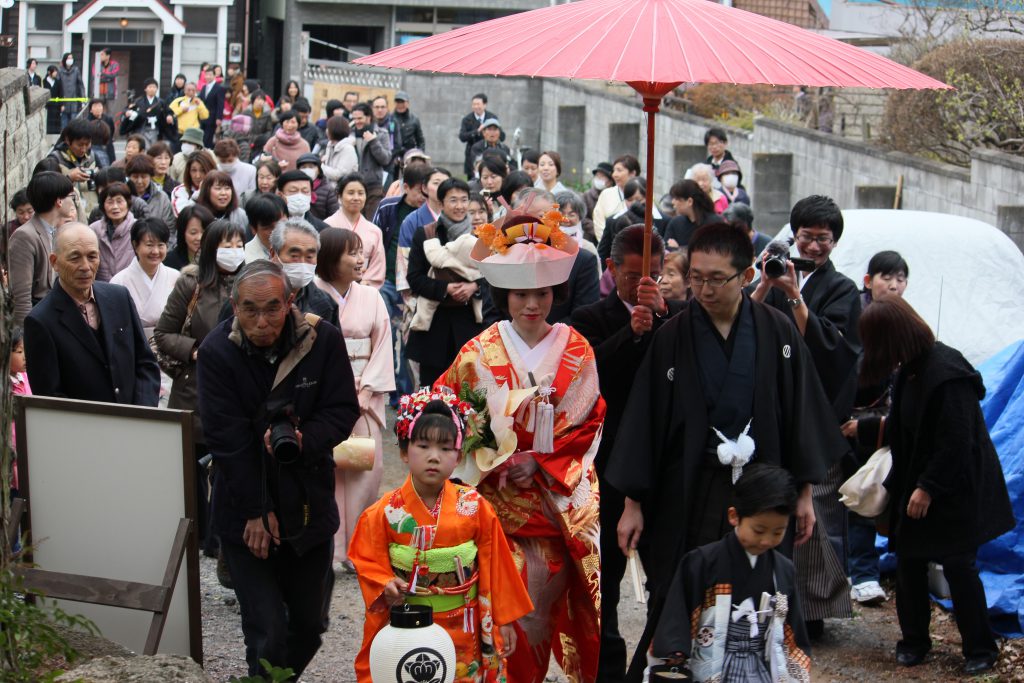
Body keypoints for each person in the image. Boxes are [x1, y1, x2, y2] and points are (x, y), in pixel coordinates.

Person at [605, 222, 847, 682]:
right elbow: (645, 420)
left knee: (760, 602)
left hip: (762, 493)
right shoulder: (673, 335)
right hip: (687, 494)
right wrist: (632, 503)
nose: (703, 288)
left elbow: (801, 413)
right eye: (696, 276)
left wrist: (803, 493)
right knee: (679, 593)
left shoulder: (777, 333)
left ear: (746, 275)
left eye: (716, 278)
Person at [435, 209, 605, 683]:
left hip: (550, 509)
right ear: (504, 294)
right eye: (521, 293)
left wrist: (539, 462)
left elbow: (588, 421)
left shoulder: (577, 349)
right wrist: (483, 452)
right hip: (489, 503)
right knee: (487, 614)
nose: (532, 304)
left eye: (543, 293)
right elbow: (446, 410)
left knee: (533, 615)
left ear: (556, 294)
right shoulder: (478, 350)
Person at [197, 259, 358, 677]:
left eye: (272, 308)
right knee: (265, 628)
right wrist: (254, 509)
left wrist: (307, 440)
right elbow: (226, 440)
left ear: (290, 302)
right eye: (250, 309)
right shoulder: (217, 351)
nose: (262, 321)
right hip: (243, 505)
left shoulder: (322, 341)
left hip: (308, 500)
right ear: (234, 306)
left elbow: (342, 410)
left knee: (310, 624)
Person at [858, 298, 1014, 676]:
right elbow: (900, 428)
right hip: (913, 481)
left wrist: (928, 486)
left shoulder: (946, 372)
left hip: (955, 487)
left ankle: (981, 647)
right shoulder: (906, 370)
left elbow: (957, 442)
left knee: (959, 567)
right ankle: (914, 641)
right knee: (908, 562)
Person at [350, 391, 531, 682]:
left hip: (463, 622)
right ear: (404, 452)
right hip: (405, 621)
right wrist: (385, 581)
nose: (434, 456)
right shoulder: (383, 512)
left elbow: (497, 564)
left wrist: (504, 619)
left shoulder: (474, 507)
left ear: (459, 456)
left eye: (445, 448)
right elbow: (365, 557)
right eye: (423, 445)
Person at [570, 225, 683, 683]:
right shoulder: (588, 316)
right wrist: (628, 335)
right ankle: (608, 669)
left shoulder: (679, 318)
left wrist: (660, 323)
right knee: (605, 580)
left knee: (667, 574)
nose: (643, 283)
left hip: (662, 465)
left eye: (654, 273)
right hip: (607, 463)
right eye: (634, 273)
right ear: (612, 267)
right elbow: (582, 376)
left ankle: (660, 661)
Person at [751, 198, 862, 633]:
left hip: (816, 416)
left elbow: (834, 350)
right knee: (770, 508)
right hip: (770, 414)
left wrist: (795, 297)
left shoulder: (842, 289)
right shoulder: (771, 273)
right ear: (791, 235)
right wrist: (763, 284)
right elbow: (744, 323)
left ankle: (813, 610)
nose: (814, 246)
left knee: (816, 516)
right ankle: (766, 600)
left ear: (835, 242)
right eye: (806, 237)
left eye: (823, 239)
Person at [652, 464, 812, 682]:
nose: (766, 540)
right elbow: (676, 617)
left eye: (778, 532)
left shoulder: (783, 570)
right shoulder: (701, 562)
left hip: (761, 665)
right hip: (711, 663)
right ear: (734, 516)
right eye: (759, 530)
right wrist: (676, 652)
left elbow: (792, 633)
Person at [156, 218, 247, 555]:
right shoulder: (191, 284)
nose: (234, 251)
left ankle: (226, 536)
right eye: (226, 244)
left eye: (239, 243)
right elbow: (164, 334)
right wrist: (197, 351)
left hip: (238, 391)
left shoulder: (252, 281)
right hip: (195, 388)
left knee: (232, 463)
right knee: (193, 465)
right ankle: (197, 533)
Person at [314, 228, 395, 572]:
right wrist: (339, 392)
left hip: (365, 395)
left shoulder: (373, 297)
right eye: (353, 253)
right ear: (331, 258)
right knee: (329, 471)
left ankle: (356, 549)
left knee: (364, 469)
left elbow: (382, 345)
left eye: (362, 252)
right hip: (326, 396)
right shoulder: (313, 296)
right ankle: (331, 549)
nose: (361, 260)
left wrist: (365, 391)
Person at [25, 223, 159, 406]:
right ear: (54, 262)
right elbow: (50, 397)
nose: (85, 266)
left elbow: (145, 362)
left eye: (92, 256)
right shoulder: (40, 321)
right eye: (75, 258)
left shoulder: (119, 297)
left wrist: (141, 413)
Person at [841, 250, 910, 608]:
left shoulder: (905, 320)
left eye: (900, 278)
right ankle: (845, 572)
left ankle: (864, 574)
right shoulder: (853, 312)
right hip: (841, 418)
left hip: (877, 424)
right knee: (835, 499)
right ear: (869, 281)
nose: (895, 284)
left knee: (866, 495)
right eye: (887, 277)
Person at [407, 178, 485, 386]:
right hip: (435, 325)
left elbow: (495, 277)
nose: (459, 206)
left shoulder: (482, 236)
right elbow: (415, 278)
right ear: (441, 204)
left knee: (470, 392)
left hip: (470, 323)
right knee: (433, 390)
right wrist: (446, 288)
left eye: (464, 200)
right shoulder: (426, 234)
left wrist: (474, 287)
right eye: (453, 200)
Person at [10, 172, 74, 326]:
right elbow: (21, 296)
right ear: (59, 201)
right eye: (71, 196)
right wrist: (24, 337)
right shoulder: (25, 236)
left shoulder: (56, 231)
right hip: (39, 319)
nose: (73, 201)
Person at [258, 218, 339, 327]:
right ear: (273, 254)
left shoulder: (325, 303)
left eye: (309, 257)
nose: (302, 263)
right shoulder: (249, 295)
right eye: (294, 256)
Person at [110, 217, 181, 339]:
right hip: (133, 344)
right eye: (149, 245)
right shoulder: (118, 282)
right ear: (135, 245)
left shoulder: (176, 277)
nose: (155, 251)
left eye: (161, 245)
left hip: (170, 344)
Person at [324, 174, 386, 288]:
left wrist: (363, 286)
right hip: (332, 286)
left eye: (361, 193)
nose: (356, 198)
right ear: (340, 196)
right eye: (351, 193)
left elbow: (377, 266)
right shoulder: (327, 225)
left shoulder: (374, 231)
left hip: (364, 288)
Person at [350, 102, 392, 220]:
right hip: (354, 184)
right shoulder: (350, 134)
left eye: (360, 118)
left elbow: (385, 159)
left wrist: (373, 142)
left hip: (373, 186)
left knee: (371, 221)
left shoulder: (381, 134)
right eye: (354, 118)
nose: (357, 121)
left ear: (368, 117)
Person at [89, 181, 137, 282]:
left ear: (128, 203)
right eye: (110, 202)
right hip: (102, 288)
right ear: (103, 205)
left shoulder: (138, 228)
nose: (115, 207)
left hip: (131, 285)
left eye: (119, 201)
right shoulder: (93, 230)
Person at [49, 118, 98, 213]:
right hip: (67, 215)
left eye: (87, 144)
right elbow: (48, 190)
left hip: (91, 213)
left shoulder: (92, 156)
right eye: (80, 145)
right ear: (67, 140)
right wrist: (69, 178)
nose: (83, 149)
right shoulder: (55, 160)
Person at [592, 154, 640, 242]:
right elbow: (598, 222)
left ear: (633, 173)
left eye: (619, 170)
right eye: (614, 170)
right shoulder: (606, 194)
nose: (614, 175)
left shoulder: (643, 195)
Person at [663, 179, 720, 251]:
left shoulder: (714, 224)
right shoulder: (675, 223)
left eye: (676, 198)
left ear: (689, 201)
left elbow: (712, 251)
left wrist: (679, 249)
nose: (673, 202)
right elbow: (666, 250)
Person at [125, 155, 175, 236]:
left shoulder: (162, 198)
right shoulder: (123, 198)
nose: (139, 181)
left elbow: (170, 228)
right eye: (135, 177)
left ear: (151, 176)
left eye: (144, 176)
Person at [121, 78, 176, 146]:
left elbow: (168, 111)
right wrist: (127, 112)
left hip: (156, 129)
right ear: (145, 89)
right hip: (141, 128)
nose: (152, 89)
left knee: (154, 148)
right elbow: (127, 109)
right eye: (150, 87)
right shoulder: (138, 101)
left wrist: (169, 116)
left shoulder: (161, 102)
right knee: (144, 146)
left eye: (154, 87)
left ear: (156, 89)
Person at [459, 93, 500, 176]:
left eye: (478, 104)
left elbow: (502, 136)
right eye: (474, 104)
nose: (476, 107)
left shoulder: (492, 117)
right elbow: (462, 137)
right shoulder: (467, 119)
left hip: (490, 151)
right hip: (472, 152)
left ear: (485, 105)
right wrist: (477, 131)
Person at [165, 204, 213, 271]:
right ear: (182, 233)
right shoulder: (170, 262)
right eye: (193, 233)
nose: (199, 238)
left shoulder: (218, 259)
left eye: (204, 232)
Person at [171, 148, 216, 216]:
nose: (197, 176)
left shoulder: (219, 190)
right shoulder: (180, 191)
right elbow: (182, 216)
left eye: (203, 170)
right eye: (194, 170)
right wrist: (197, 195)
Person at [244, 193, 286, 263]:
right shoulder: (245, 259)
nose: (278, 230)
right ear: (253, 229)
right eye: (269, 227)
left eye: (282, 223)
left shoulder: (302, 247)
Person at [296, 154, 338, 221]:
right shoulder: (293, 188)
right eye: (303, 167)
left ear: (319, 170)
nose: (307, 170)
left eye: (311, 167)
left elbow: (334, 215)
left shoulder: (328, 190)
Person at [320, 116, 358, 185]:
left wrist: (321, 167)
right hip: (329, 189)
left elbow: (338, 175)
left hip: (341, 190)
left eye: (328, 128)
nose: (326, 131)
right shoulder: (330, 146)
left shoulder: (348, 149)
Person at [370, 96, 401, 174]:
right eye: (376, 107)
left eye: (382, 107)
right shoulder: (369, 123)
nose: (379, 110)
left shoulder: (393, 123)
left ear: (387, 108)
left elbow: (397, 145)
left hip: (388, 165)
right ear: (372, 108)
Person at [84, 99, 117, 169]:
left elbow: (111, 131)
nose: (98, 108)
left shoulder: (108, 119)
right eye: (95, 106)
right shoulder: (87, 121)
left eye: (99, 106)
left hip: (108, 146)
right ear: (90, 110)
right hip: (94, 146)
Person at [199, 65, 226, 148]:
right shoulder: (203, 88)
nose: (208, 77)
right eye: (206, 75)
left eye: (210, 75)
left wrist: (219, 118)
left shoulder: (219, 88)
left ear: (214, 76)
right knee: (202, 138)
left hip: (213, 117)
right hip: (203, 117)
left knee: (209, 139)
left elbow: (220, 104)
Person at [391, 90, 425, 156]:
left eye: (402, 102)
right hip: (393, 155)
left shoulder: (414, 119)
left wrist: (420, 154)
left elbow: (420, 140)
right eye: (398, 102)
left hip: (410, 154)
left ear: (407, 103)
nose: (400, 105)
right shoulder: (390, 119)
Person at [57, 53, 85, 129]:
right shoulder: (60, 71)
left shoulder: (76, 70)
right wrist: (60, 102)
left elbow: (80, 85)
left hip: (74, 100)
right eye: (68, 58)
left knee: (74, 123)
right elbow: (58, 86)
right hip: (63, 101)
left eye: (71, 58)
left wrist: (83, 98)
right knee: (64, 124)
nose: (70, 60)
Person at [44, 66, 62, 134]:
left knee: (56, 121)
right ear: (49, 72)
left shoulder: (58, 82)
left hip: (56, 105)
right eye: (54, 71)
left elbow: (61, 93)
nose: (55, 73)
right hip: (48, 105)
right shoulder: (44, 81)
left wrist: (62, 104)